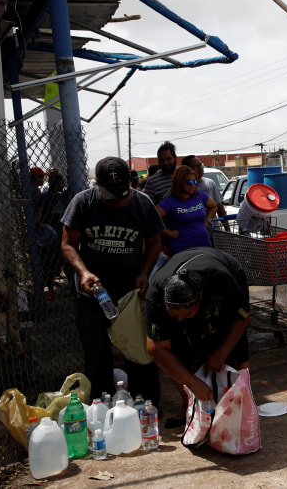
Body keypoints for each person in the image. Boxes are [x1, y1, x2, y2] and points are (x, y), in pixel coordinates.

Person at [61, 157, 164, 402]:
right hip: (92, 292)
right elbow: (68, 244)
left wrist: (145, 273)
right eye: (110, 194)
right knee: (96, 352)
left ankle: (145, 401)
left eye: (121, 193)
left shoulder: (142, 203)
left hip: (130, 292)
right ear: (98, 186)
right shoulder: (83, 202)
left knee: (138, 349)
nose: (117, 200)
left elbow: (154, 242)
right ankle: (102, 403)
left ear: (131, 182)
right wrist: (83, 272)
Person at [145, 247, 251, 426]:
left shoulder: (223, 281)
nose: (179, 318)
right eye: (174, 314)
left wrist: (220, 354)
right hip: (181, 274)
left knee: (230, 341)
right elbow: (156, 349)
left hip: (224, 269)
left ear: (200, 298)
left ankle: (246, 393)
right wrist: (193, 384)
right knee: (178, 348)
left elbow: (242, 319)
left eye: (185, 314)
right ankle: (188, 404)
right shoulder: (155, 296)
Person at [156, 165, 217, 255]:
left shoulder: (200, 196)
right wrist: (169, 233)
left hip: (205, 247)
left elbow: (214, 206)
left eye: (195, 181)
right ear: (179, 182)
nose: (192, 184)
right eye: (189, 182)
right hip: (181, 250)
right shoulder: (169, 201)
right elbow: (150, 220)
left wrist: (207, 220)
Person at [182, 155, 228, 227]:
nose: (199, 168)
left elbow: (220, 208)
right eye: (195, 167)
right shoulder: (180, 188)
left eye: (200, 165)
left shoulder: (210, 183)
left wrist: (227, 229)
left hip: (213, 230)